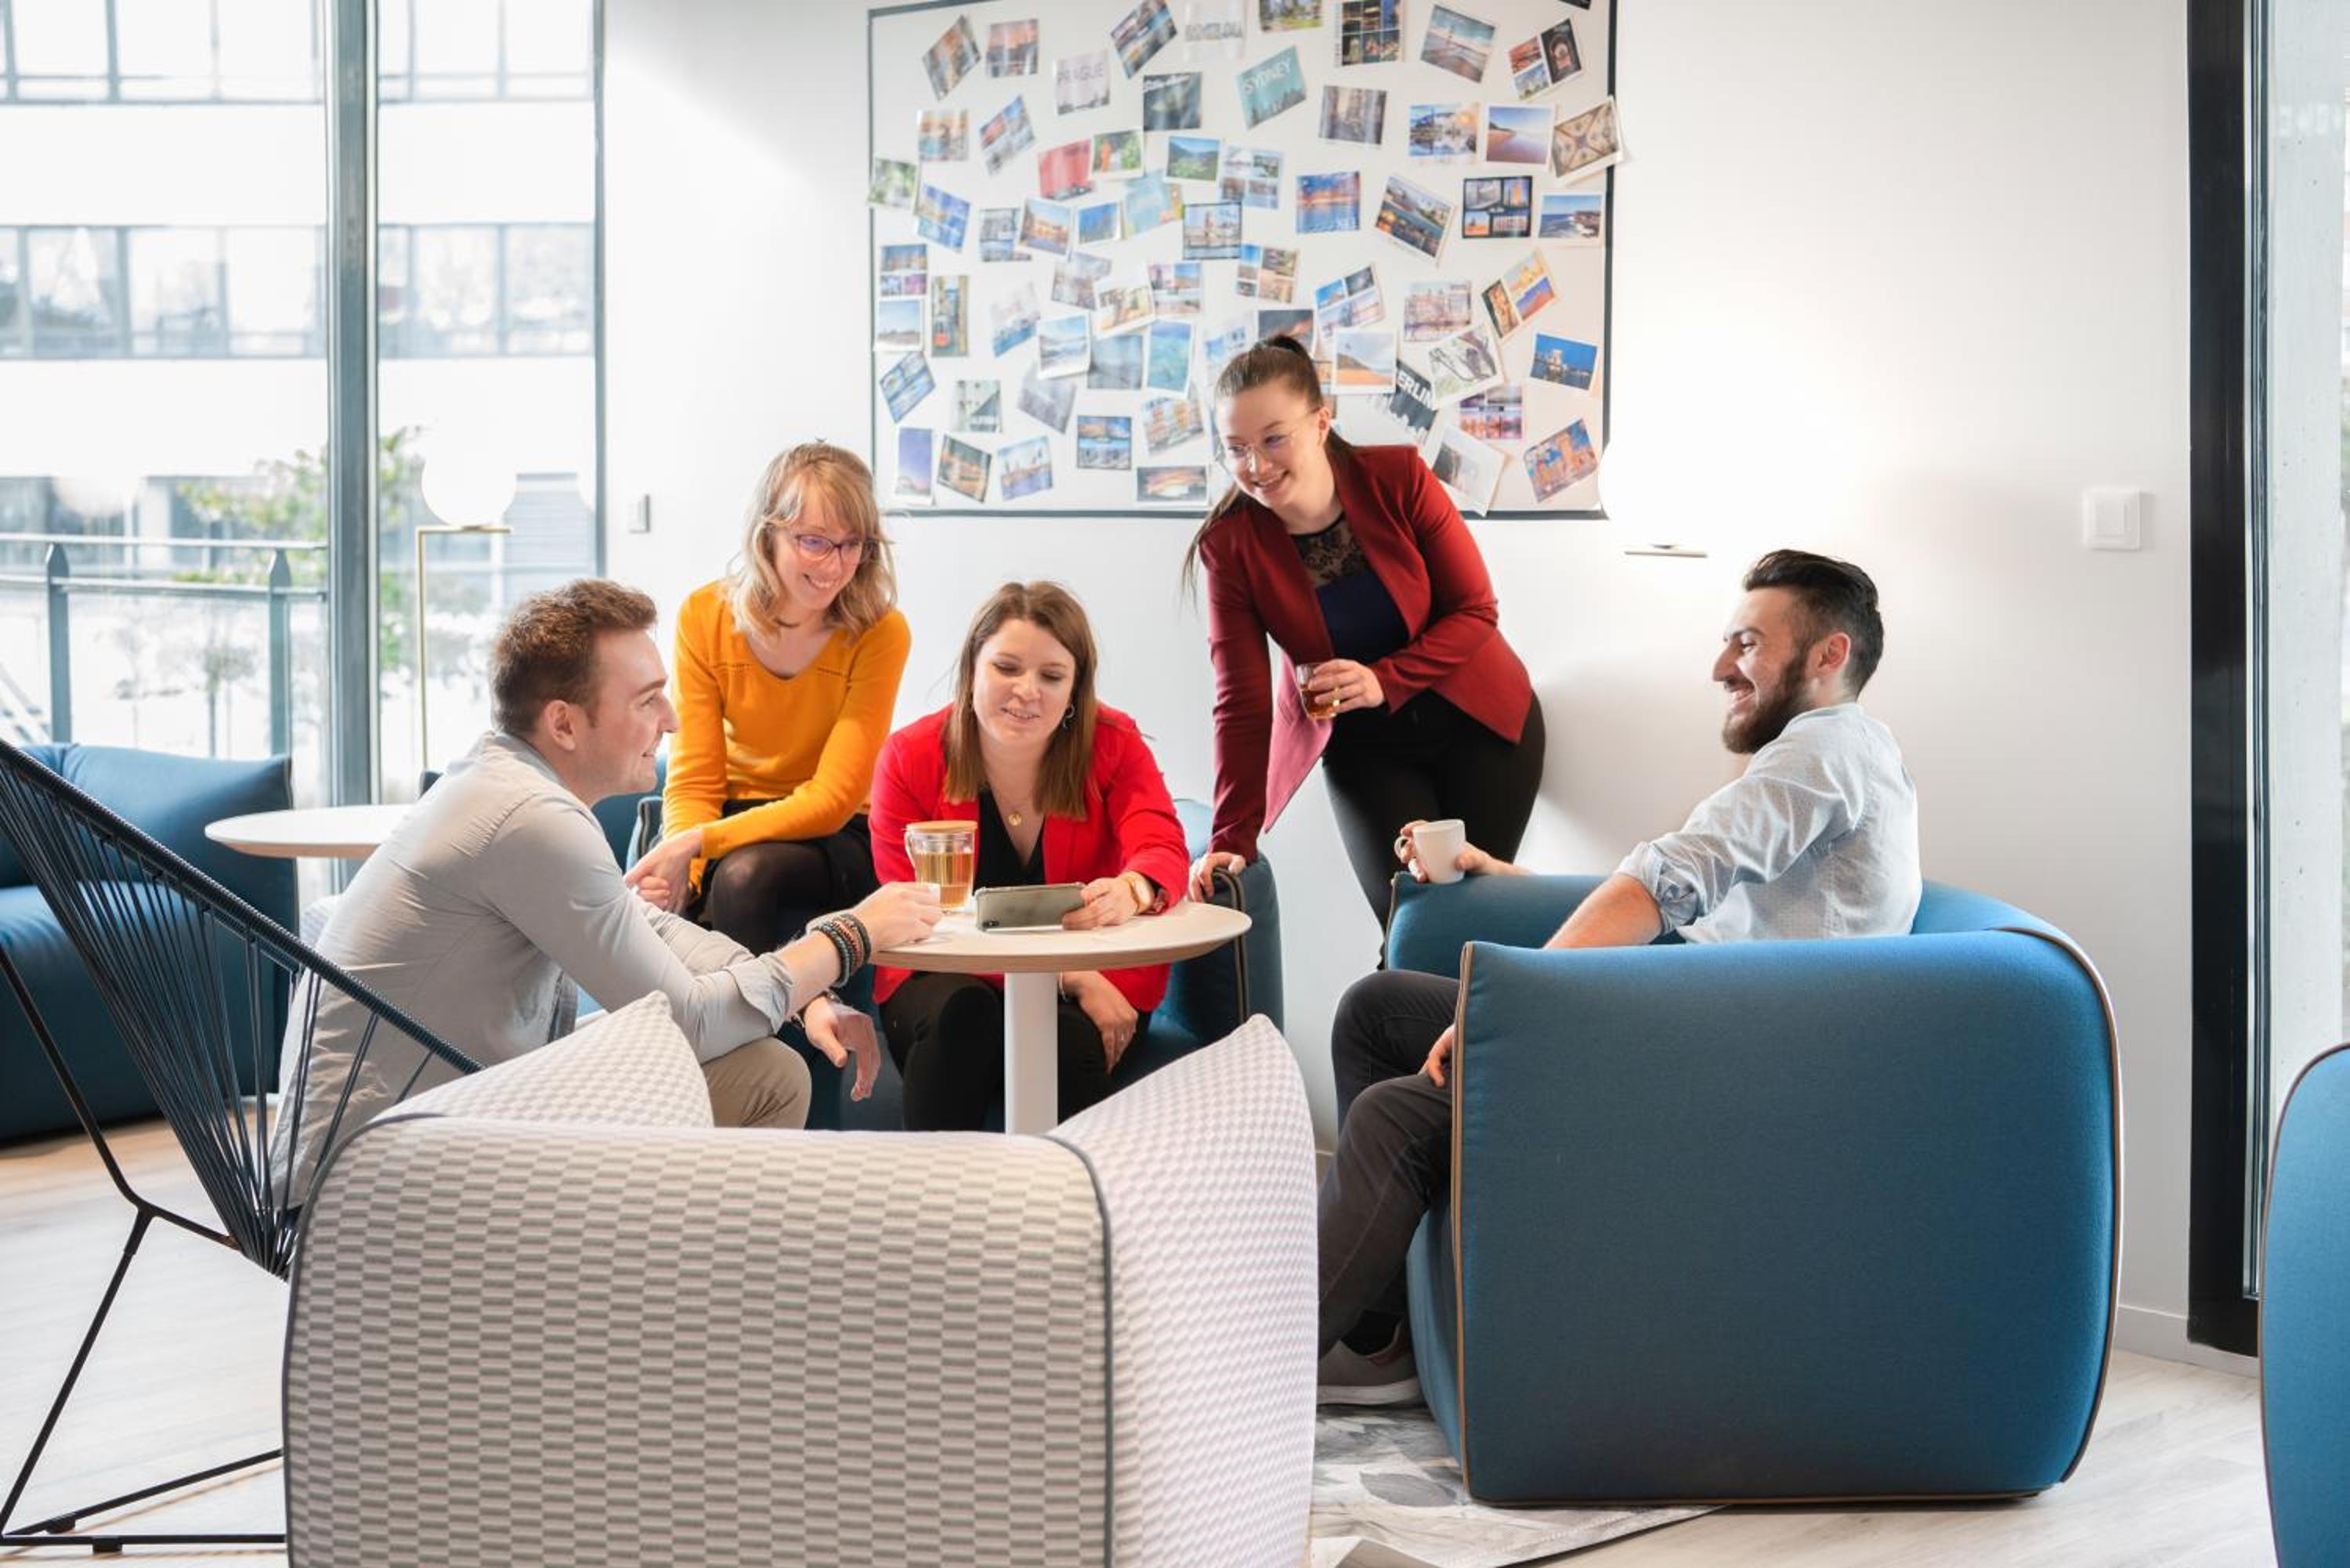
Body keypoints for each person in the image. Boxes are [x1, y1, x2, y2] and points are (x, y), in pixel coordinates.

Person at [1314, 550, 1920, 1405]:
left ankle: (1257, 1372)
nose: (1721, 666)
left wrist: (1513, 1007)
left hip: (1732, 1063)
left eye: (1748, 643)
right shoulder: (1845, 753)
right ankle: (1384, 1340)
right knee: (1378, 1011)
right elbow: (1685, 908)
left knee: (1399, 1112)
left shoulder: (1823, 751)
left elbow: (1667, 877)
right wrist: (1505, 877)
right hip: (1695, 1015)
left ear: (1830, 655)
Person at [274, 580, 941, 1189]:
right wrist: (851, 935)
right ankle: (676, 1276)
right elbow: (692, 1021)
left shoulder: (502, 784)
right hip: (383, 1180)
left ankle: (660, 1273)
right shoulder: (530, 819)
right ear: (564, 723)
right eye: (648, 700)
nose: (672, 720)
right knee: (765, 1076)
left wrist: (806, 994)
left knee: (763, 1067)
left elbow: (650, 928)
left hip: (426, 1128)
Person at [1184, 335, 1546, 922]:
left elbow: (1475, 610)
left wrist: (1384, 679)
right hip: (1366, 747)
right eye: (1237, 448)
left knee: (1472, 919)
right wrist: (1230, 836)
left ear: (1320, 422)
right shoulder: (1228, 546)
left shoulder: (1400, 477)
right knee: (1411, 921)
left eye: (1274, 439)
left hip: (1479, 724)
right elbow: (1241, 703)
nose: (1256, 466)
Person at [865, 581, 1191, 1131]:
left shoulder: (1113, 742)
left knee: (1064, 1043)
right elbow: (911, 916)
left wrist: (1132, 889)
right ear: (972, 669)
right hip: (942, 974)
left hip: (1093, 987)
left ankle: (1070, 1191)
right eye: (1007, 668)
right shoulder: (909, 757)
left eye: (1052, 676)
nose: (1027, 691)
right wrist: (1067, 976)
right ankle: (935, 1189)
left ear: (1075, 690)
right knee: (964, 1015)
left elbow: (1160, 844)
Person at [626, 443, 913, 957]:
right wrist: (686, 872)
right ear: (767, 535)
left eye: (852, 544)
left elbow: (831, 800)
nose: (835, 565)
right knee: (661, 896)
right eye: (814, 541)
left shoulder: (881, 632)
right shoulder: (704, 617)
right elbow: (694, 780)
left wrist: (696, 843)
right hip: (730, 816)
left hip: (838, 833)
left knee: (744, 876)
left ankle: (761, 1015)